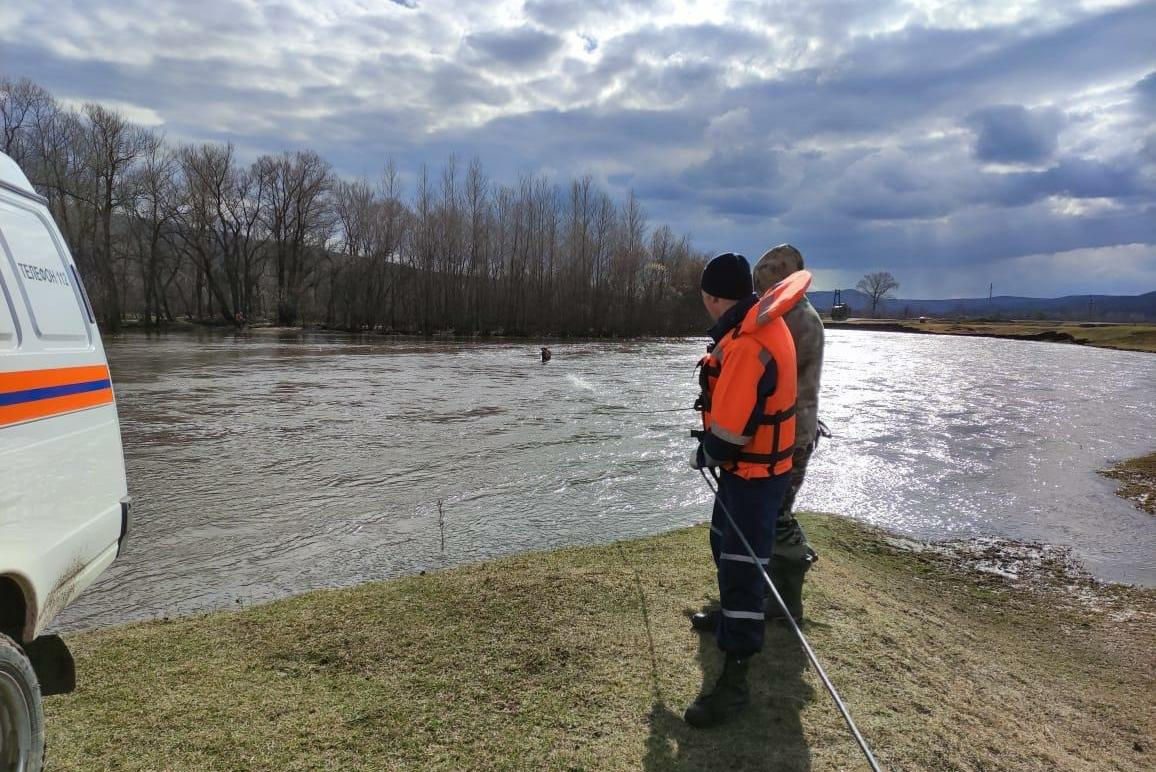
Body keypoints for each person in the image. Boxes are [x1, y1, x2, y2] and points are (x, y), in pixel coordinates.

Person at [685, 252, 811, 728]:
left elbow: (730, 436)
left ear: (714, 298)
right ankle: (727, 616)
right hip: (755, 471)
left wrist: (704, 453)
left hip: (754, 478)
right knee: (722, 541)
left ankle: (735, 682)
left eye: (704, 297)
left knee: (741, 566)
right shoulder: (760, 325)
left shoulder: (747, 344)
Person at [752, 244, 824, 623]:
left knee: (776, 516)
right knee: (773, 513)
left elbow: (767, 379)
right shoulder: (789, 313)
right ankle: (774, 595)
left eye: (775, 271)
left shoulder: (795, 318)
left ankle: (785, 603)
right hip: (790, 432)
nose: (768, 275)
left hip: (790, 436)